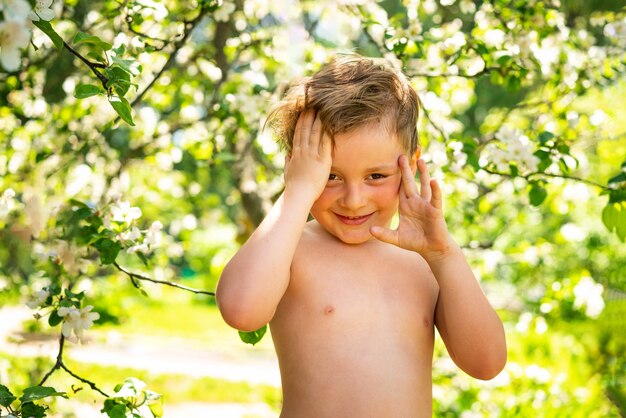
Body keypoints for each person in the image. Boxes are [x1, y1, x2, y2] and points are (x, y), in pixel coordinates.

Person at [216, 54, 507, 417]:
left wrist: (445, 255)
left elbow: (487, 362)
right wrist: (297, 193)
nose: (354, 200)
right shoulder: (293, 249)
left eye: (376, 177)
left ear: (411, 162)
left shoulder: (425, 261)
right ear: (297, 166)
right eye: (330, 176)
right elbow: (241, 310)